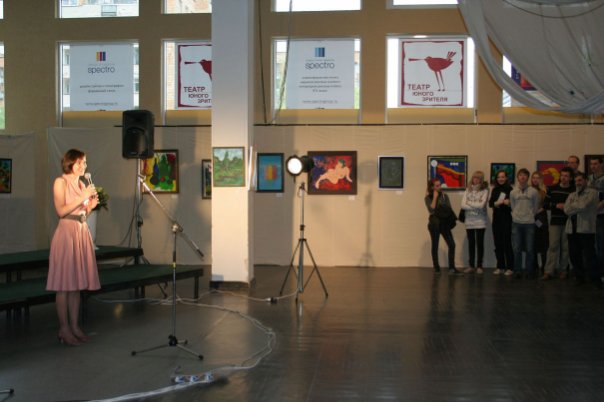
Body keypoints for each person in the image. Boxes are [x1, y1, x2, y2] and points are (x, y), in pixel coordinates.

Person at [46, 149, 100, 346]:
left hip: (80, 231)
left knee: (75, 285)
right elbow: (61, 211)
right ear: (70, 163)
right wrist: (82, 196)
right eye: (79, 162)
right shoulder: (60, 182)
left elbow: (80, 211)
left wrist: (90, 207)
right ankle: (64, 328)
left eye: (84, 162)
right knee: (64, 285)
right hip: (66, 233)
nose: (83, 165)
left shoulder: (82, 183)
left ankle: (75, 326)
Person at [564, 171, 599, 286]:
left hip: (586, 228)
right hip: (571, 229)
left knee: (589, 255)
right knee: (574, 255)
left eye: (580, 180)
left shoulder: (593, 193)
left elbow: (584, 205)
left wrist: (573, 206)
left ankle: (594, 280)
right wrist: (576, 206)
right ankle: (580, 277)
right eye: (576, 181)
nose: (577, 183)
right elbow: (566, 210)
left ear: (586, 181)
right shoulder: (571, 195)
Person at [542, 167, 575, 280]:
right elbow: (545, 205)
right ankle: (548, 271)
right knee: (552, 246)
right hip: (555, 222)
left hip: (568, 222)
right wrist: (556, 205)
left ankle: (563, 270)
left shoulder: (574, 190)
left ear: (571, 178)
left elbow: (576, 205)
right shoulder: (552, 189)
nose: (563, 178)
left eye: (566, 176)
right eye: (562, 175)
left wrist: (566, 206)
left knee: (566, 248)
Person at [425, 178, 462, 275]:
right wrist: (435, 197)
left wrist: (440, 205)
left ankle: (452, 268)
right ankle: (436, 267)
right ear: (432, 187)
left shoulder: (445, 196)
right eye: (437, 186)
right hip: (434, 224)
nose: (439, 187)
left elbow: (448, 209)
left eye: (440, 185)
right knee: (435, 245)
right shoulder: (428, 197)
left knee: (452, 244)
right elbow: (431, 210)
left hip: (444, 223)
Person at [510, 168, 540, 279]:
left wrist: (530, 215)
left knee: (530, 249)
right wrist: (516, 215)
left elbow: (535, 207)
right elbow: (512, 207)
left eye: (524, 175)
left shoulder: (534, 191)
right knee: (516, 249)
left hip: (529, 223)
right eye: (520, 175)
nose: (522, 177)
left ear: (528, 177)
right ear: (517, 177)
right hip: (516, 223)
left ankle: (529, 271)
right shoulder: (513, 192)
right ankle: (517, 270)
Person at [461, 171, 489, 274]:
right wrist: (475, 204)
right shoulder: (467, 190)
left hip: (480, 221)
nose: (476, 180)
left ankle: (479, 266)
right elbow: (463, 205)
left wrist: (469, 203)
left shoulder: (485, 191)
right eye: (474, 178)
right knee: (471, 244)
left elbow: (481, 206)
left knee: (480, 244)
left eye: (478, 178)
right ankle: (471, 266)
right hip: (469, 221)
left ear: (481, 180)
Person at [489, 170, 514, 275]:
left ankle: (510, 268)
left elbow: (513, 205)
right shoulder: (494, 189)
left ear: (506, 178)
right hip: (496, 219)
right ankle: (500, 266)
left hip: (506, 219)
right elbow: (490, 203)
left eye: (503, 177)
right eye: (499, 177)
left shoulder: (510, 189)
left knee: (507, 243)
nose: (500, 179)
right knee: (498, 243)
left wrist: (509, 203)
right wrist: (497, 203)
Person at [587, 157, 604, 278]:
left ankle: (601, 274)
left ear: (601, 164)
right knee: (590, 246)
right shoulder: (588, 179)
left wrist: (595, 209)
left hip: (601, 216)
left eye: (596, 164)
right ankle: (593, 273)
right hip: (589, 218)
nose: (593, 166)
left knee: (601, 246)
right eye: (591, 164)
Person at [531, 171, 549, 275]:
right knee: (532, 244)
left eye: (537, 178)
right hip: (531, 220)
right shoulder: (529, 190)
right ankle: (534, 267)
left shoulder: (545, 190)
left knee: (543, 244)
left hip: (541, 220)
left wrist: (536, 212)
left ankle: (544, 267)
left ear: (541, 179)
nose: (535, 180)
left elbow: (546, 205)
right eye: (533, 177)